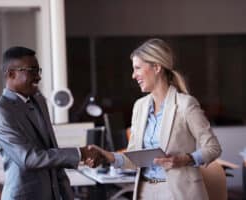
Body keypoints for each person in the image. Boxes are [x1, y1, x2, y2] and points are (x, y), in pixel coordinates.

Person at [88, 38, 222, 200]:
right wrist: (107, 155)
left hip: (178, 193)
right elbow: (133, 159)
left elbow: (213, 147)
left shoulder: (185, 104)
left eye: (137, 68)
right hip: (146, 191)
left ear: (157, 67)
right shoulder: (139, 106)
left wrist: (186, 159)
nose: (133, 75)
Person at [0, 46, 102, 200]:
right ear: (11, 74)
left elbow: (51, 149)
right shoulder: (0, 111)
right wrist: (79, 153)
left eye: (38, 70)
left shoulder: (39, 100)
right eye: (31, 70)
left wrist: (67, 194)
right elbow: (29, 159)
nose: (38, 77)